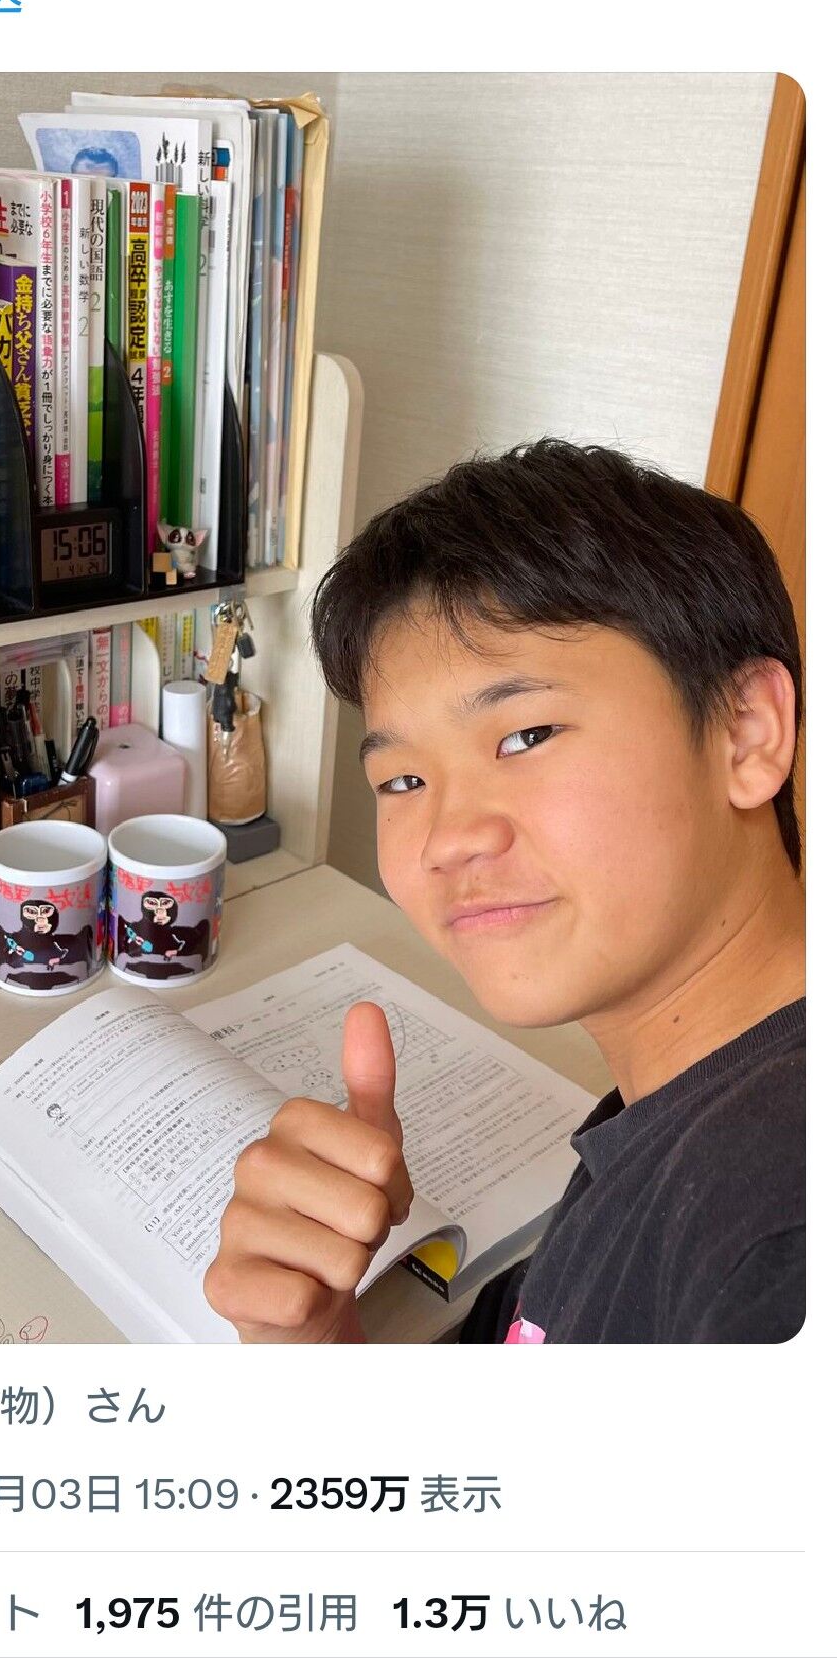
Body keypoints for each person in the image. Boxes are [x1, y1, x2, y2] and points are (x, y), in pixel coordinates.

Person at [205, 441, 805, 1343]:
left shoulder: (777, 1243)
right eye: (402, 781)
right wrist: (317, 1346)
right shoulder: (678, 1107)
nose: (447, 839)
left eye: (525, 736)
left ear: (747, 732)